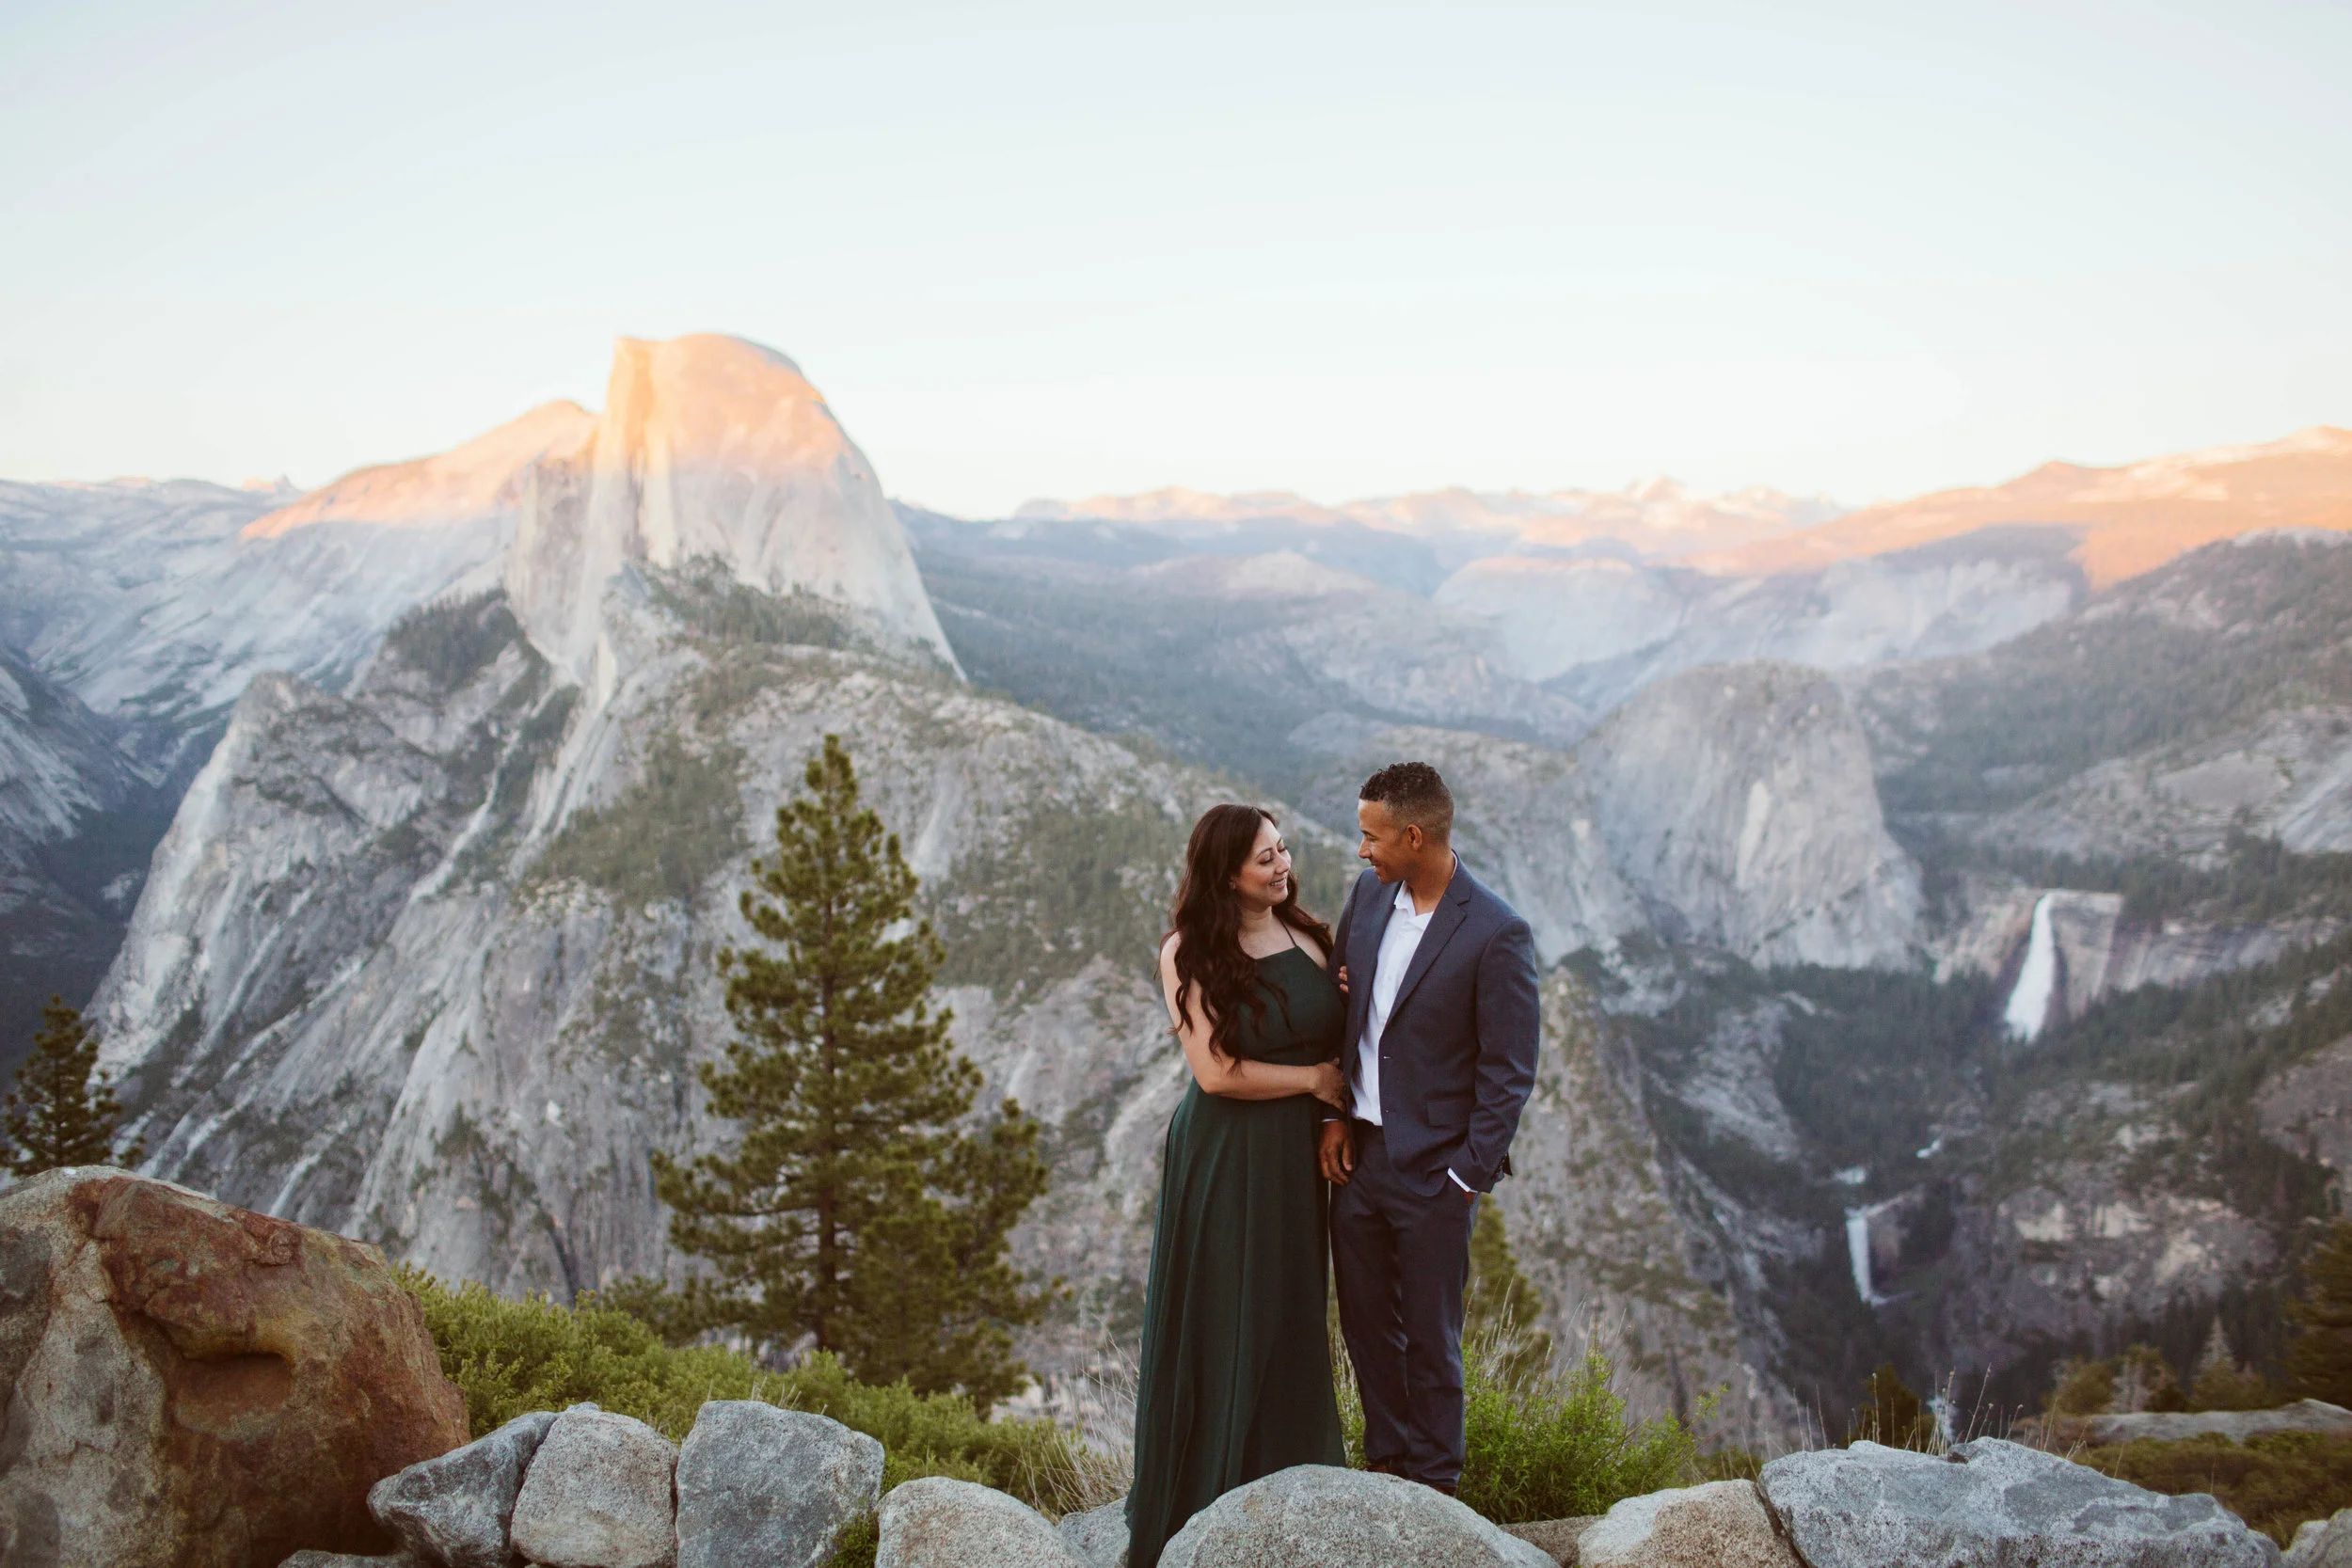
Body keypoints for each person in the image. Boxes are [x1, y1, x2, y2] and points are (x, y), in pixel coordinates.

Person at [1126, 804, 1352, 1568]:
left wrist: (1331, 1117)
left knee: (1287, 1309)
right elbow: (1215, 1072)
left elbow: (1340, 1036)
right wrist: (1314, 1082)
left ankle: (1285, 1497)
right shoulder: (1187, 950)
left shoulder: (1311, 937)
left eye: (1284, 848)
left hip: (1293, 1158)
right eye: (1265, 857)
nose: (1284, 864)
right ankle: (1201, 1504)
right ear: (1226, 871)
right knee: (1225, 1312)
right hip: (1224, 1154)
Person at [1321, 761, 1540, 1496]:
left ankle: (1435, 1483)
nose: (1362, 851)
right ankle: (1386, 1464)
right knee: (1363, 1325)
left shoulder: (1497, 931)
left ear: (1414, 836)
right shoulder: (1369, 895)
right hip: (1360, 1157)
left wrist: (1464, 1178)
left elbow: (1509, 1071)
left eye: (1371, 836)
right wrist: (1335, 1115)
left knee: (1431, 1339)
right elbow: (1343, 1009)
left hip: (1436, 1173)